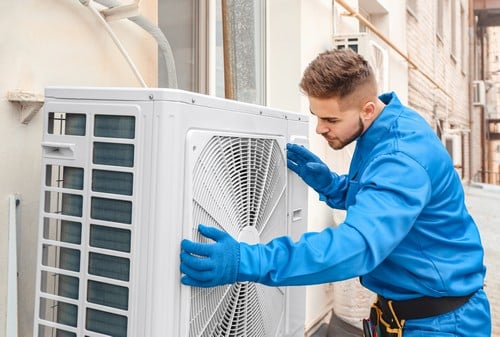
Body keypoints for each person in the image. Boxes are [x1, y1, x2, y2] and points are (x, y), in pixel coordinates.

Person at [179, 48, 491, 336]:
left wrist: (248, 260)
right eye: (317, 116)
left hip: (443, 325)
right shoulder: (386, 124)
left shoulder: (401, 157)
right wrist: (332, 184)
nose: (319, 128)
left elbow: (356, 247)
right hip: (406, 314)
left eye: (331, 119)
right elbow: (382, 201)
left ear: (367, 109)